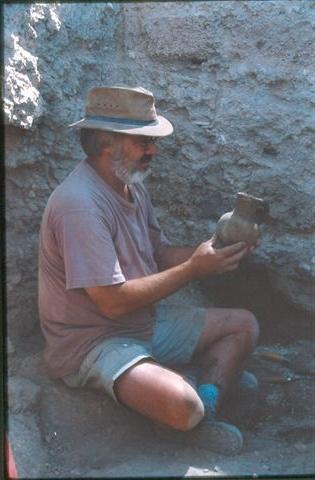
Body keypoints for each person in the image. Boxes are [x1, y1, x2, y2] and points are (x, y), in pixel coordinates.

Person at [38, 86, 260, 455]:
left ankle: (208, 405)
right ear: (107, 142)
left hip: (142, 322)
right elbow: (111, 303)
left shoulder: (130, 187)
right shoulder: (79, 204)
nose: (153, 150)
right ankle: (192, 403)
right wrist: (194, 269)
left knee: (244, 326)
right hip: (94, 340)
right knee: (183, 406)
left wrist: (216, 252)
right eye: (144, 141)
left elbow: (156, 253)